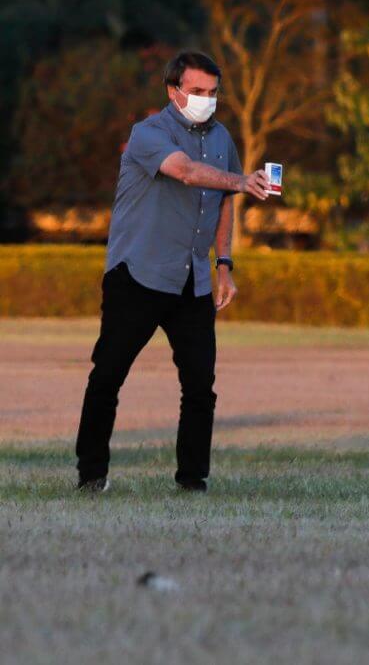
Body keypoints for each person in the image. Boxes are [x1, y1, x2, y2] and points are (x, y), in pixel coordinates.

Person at [74, 50, 271, 493]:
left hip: (192, 280)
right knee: (107, 376)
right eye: (197, 91)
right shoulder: (148, 134)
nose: (206, 99)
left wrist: (224, 264)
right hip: (137, 275)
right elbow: (183, 172)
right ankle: (91, 474)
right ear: (173, 91)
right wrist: (240, 180)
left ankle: (192, 480)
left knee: (201, 385)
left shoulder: (222, 139)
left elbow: (224, 205)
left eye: (213, 92)